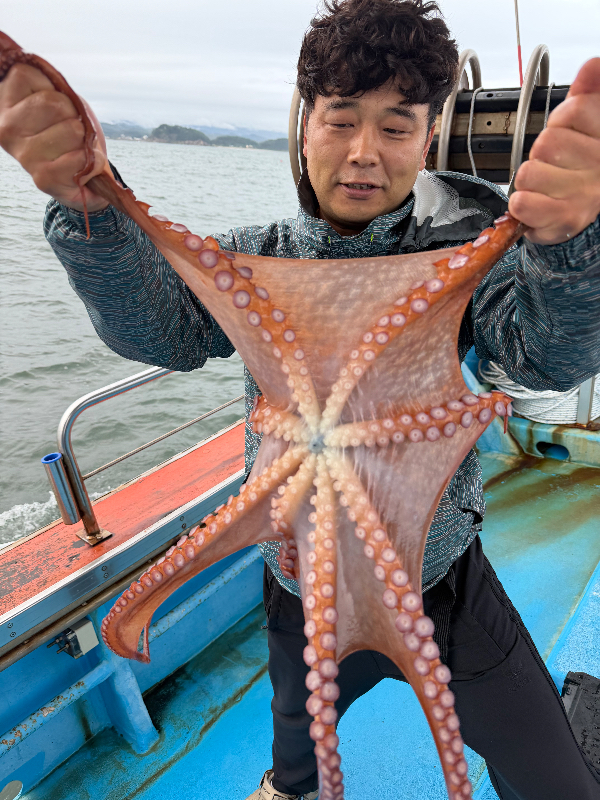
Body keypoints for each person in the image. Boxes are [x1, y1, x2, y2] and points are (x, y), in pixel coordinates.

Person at [1, 1, 599, 798]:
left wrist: (567, 243)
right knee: (298, 760)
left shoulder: (460, 257)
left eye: (395, 127)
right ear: (305, 126)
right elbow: (162, 331)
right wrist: (92, 208)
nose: (363, 152)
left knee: (556, 782)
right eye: (340, 119)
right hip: (300, 589)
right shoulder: (254, 258)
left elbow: (543, 354)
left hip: (443, 585)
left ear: (426, 141)